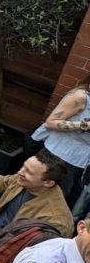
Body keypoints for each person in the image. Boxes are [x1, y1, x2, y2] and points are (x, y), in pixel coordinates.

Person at [0, 149, 74, 240]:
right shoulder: (23, 179)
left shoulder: (55, 221)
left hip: (5, 249)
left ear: (48, 183)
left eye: (29, 172)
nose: (20, 172)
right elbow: (4, 183)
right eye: (24, 166)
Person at [32, 74, 90, 205]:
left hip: (82, 164)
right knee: (41, 201)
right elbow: (51, 122)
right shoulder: (80, 97)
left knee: (58, 204)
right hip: (58, 157)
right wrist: (84, 125)